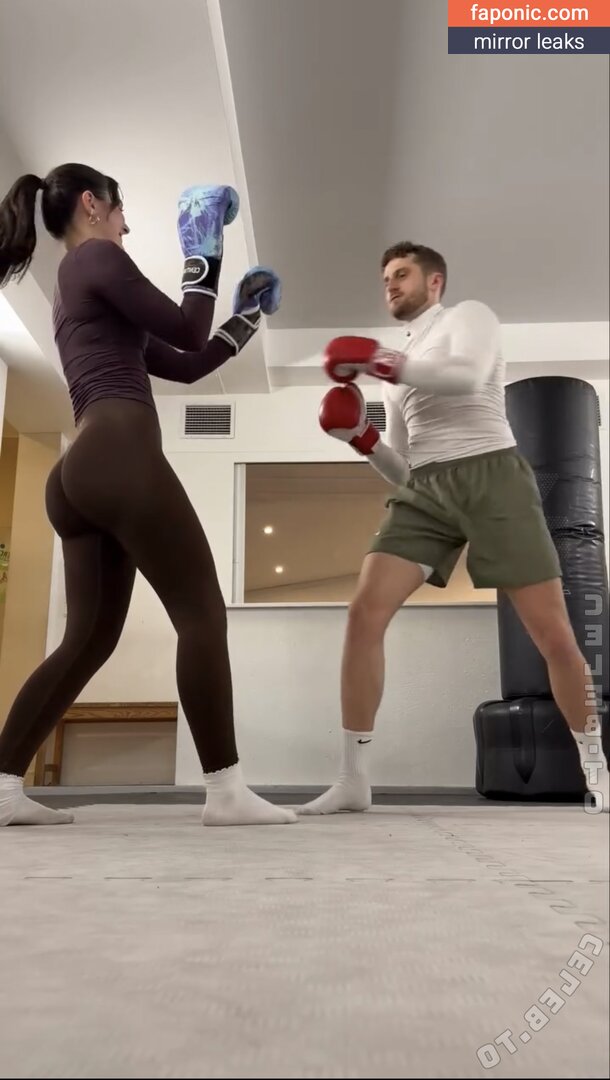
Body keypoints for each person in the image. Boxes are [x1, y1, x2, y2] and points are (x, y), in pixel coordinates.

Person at [0, 162, 296, 827]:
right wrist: (202, 250)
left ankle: (2, 787)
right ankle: (226, 792)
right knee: (202, 614)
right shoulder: (97, 258)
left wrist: (246, 317)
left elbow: (188, 363)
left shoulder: (77, 286)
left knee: (87, 641)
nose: (127, 226)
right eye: (121, 211)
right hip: (119, 456)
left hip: (79, 475)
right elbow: (188, 328)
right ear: (92, 204)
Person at [300, 240, 609, 816]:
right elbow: (405, 465)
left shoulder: (469, 317)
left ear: (434, 282)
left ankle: (598, 769)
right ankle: (352, 780)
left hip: (493, 473)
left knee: (553, 634)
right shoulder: (394, 372)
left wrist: (378, 360)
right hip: (427, 490)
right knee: (364, 613)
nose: (391, 285)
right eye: (385, 278)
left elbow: (464, 377)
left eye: (402, 274)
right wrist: (361, 440)